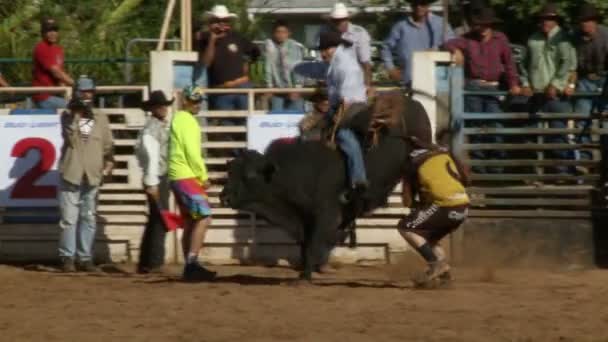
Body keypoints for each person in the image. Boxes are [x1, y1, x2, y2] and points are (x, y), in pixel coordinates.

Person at [443, 7, 521, 173]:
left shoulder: (501, 39)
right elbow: (447, 43)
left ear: (491, 25)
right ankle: (479, 168)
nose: (482, 28)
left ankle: (496, 167)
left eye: (485, 24)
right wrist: (454, 50)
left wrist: (513, 83)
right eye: (479, 24)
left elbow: (509, 64)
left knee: (496, 125)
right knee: (476, 126)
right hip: (474, 87)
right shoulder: (467, 40)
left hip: (494, 87)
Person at [398, 136, 470, 287]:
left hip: (446, 205)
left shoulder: (411, 163)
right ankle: (445, 277)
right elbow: (467, 179)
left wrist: (415, 201)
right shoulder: (442, 151)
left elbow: (407, 201)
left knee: (406, 227)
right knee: (429, 236)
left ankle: (435, 265)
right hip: (463, 206)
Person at [58, 76, 113, 272]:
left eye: (89, 91)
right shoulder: (67, 116)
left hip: (92, 173)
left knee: (89, 217)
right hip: (72, 172)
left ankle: (85, 257)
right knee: (69, 219)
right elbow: (72, 138)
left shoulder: (101, 117)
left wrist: (108, 164)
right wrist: (77, 115)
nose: (87, 95)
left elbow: (107, 146)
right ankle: (67, 257)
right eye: (83, 92)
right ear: (76, 93)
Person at [520, 3, 577, 175]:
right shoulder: (532, 40)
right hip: (536, 94)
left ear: (555, 20)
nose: (546, 21)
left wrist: (557, 84)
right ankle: (536, 173)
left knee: (558, 134)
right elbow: (524, 65)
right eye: (543, 19)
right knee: (533, 134)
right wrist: (525, 83)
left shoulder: (564, 40)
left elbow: (569, 64)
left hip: (557, 96)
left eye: (550, 19)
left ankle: (564, 173)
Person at [169, 86, 216, 281]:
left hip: (176, 175)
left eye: (199, 101)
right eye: (194, 100)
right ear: (185, 100)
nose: (197, 104)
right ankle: (192, 263)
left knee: (190, 220)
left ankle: (190, 265)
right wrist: (203, 177)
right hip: (187, 175)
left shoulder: (178, 119)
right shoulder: (188, 121)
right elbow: (192, 153)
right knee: (204, 217)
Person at [318, 30, 368, 200]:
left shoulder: (346, 66)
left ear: (332, 49)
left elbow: (347, 100)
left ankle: (358, 179)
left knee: (343, 134)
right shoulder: (337, 63)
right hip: (341, 105)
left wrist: (337, 119)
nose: (322, 53)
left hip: (353, 106)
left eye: (324, 49)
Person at [135, 90, 174, 274]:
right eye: (160, 106)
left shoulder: (153, 127)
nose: (164, 108)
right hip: (157, 176)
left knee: (155, 219)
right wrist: (152, 182)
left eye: (164, 105)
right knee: (160, 219)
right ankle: (155, 261)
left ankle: (146, 262)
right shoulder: (153, 129)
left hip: (156, 176)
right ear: (152, 109)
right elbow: (151, 157)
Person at [199, 5, 260, 111]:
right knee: (226, 124)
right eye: (217, 20)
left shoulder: (237, 37)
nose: (222, 23)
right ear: (210, 22)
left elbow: (255, 51)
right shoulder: (204, 39)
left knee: (246, 120)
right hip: (221, 90)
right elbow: (206, 63)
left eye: (225, 20)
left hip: (242, 86)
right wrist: (212, 40)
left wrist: (246, 64)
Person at [381, 0, 455, 87]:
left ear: (428, 5)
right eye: (415, 4)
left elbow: (453, 44)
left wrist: (438, 49)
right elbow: (386, 47)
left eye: (422, 3)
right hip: (409, 79)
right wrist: (391, 68)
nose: (419, 7)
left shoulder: (441, 23)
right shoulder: (400, 26)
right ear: (411, 5)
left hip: (437, 80)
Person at [573, 3, 608, 162]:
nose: (585, 24)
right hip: (585, 80)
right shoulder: (575, 37)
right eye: (583, 21)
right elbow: (571, 63)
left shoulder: (606, 36)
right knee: (581, 120)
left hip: (605, 78)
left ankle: (606, 161)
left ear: (595, 21)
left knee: (606, 122)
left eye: (588, 20)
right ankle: (585, 161)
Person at [320, 3, 374, 95]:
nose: (339, 23)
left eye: (342, 20)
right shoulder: (324, 33)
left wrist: (367, 85)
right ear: (332, 21)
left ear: (347, 19)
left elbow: (365, 63)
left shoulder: (359, 33)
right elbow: (323, 59)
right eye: (336, 20)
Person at [33, 18, 74, 109]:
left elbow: (60, 76)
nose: (53, 33)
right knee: (74, 107)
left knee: (78, 103)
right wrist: (75, 84)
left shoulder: (58, 49)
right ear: (43, 33)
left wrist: (68, 92)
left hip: (55, 94)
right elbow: (56, 72)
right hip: (43, 96)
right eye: (49, 31)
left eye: (55, 30)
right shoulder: (41, 47)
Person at [264, 20, 305, 111]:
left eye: (283, 32)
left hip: (292, 88)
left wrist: (297, 89)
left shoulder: (294, 46)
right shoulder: (270, 46)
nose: (281, 35)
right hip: (277, 90)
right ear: (273, 33)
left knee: (295, 118)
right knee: (276, 116)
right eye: (278, 32)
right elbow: (268, 69)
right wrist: (269, 86)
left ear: (289, 33)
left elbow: (298, 69)